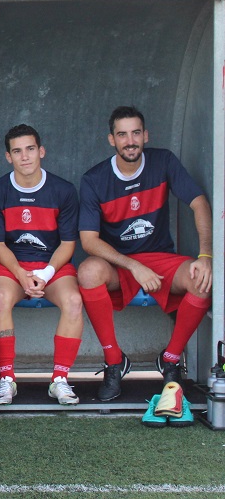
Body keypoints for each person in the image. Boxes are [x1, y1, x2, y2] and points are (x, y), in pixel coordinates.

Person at [78, 106, 212, 401]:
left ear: (145, 135)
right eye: (122, 134)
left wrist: (206, 256)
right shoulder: (95, 179)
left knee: (202, 280)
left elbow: (199, 202)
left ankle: (171, 359)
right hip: (120, 263)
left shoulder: (163, 161)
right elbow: (89, 241)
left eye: (136, 133)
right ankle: (114, 361)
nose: (130, 141)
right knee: (87, 271)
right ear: (111, 139)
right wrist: (133, 266)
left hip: (160, 259)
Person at [0, 125, 83, 406]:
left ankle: (60, 380)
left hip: (53, 265)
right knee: (0, 298)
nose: (24, 156)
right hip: (13, 266)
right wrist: (21, 274)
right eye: (17, 151)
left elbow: (68, 244)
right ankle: (7, 379)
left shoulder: (63, 190)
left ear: (41, 151)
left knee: (74, 301)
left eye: (30, 149)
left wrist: (46, 274)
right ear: (8, 157)